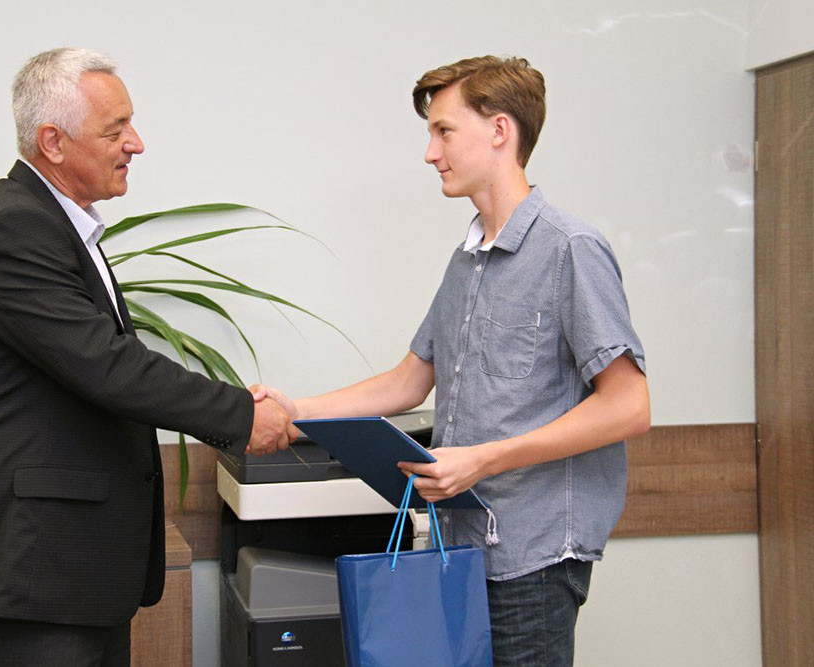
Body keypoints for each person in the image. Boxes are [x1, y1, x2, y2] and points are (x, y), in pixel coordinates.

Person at [255, 56, 650, 666]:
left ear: (499, 131)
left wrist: (483, 459)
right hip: (463, 550)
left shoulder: (571, 249)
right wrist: (296, 409)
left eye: (444, 131)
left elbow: (629, 407)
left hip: (534, 561)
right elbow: (409, 380)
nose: (430, 153)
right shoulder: (466, 260)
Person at [0, 47, 298, 666]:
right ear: (53, 142)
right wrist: (241, 414)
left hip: (68, 579)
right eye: (115, 129)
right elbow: (107, 366)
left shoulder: (58, 224)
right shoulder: (15, 227)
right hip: (30, 584)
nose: (137, 143)